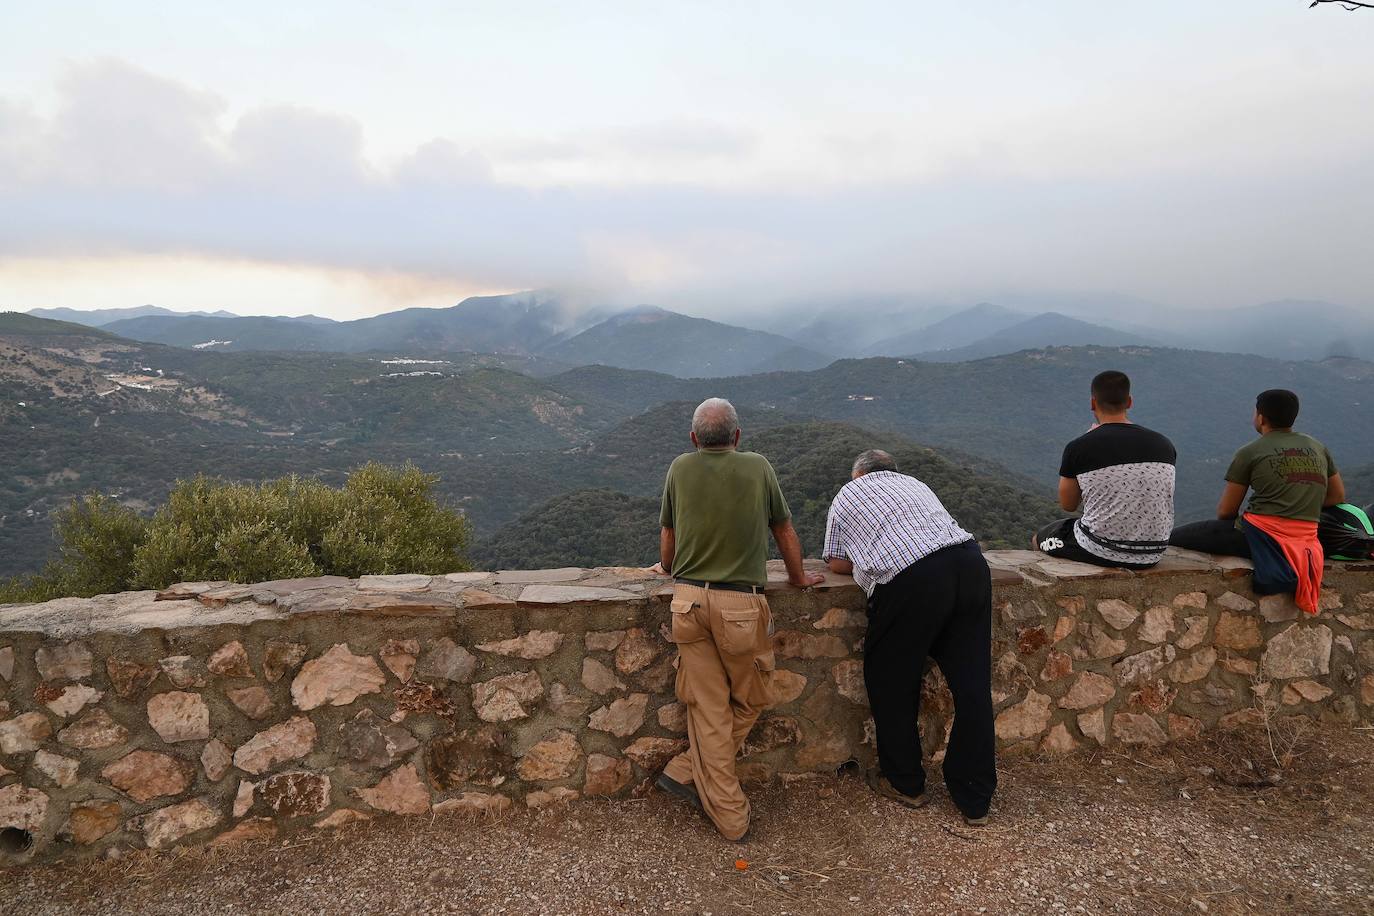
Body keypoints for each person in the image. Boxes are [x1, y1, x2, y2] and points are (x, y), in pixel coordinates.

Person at [654, 397, 824, 842]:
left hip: (686, 603)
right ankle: (730, 816)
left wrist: (667, 567)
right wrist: (799, 576)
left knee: (708, 707)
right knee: (750, 698)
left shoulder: (679, 467)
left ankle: (685, 769)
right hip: (739, 608)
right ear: (737, 436)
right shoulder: (758, 466)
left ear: (694, 439)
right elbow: (783, 529)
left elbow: (668, 534)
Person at [822, 449, 996, 826]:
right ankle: (975, 796)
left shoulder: (847, 495)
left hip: (913, 580)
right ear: (894, 472)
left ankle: (905, 782)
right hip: (970, 564)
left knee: (891, 678)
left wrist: (869, 554)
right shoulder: (917, 484)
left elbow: (835, 561)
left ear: (858, 475)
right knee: (972, 685)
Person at [1170, 389, 1344, 613]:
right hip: (1307, 537)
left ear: (1261, 418)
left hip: (1261, 537)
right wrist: (1298, 507)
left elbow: (1226, 511)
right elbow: (1337, 496)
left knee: (1174, 537)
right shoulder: (1317, 448)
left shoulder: (1251, 451)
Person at [1034, 370, 1176, 569]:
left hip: (1101, 548)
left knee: (1039, 537)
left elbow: (1068, 504)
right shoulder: (1164, 444)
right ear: (1129, 402)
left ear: (1093, 403)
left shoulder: (1080, 447)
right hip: (1154, 551)